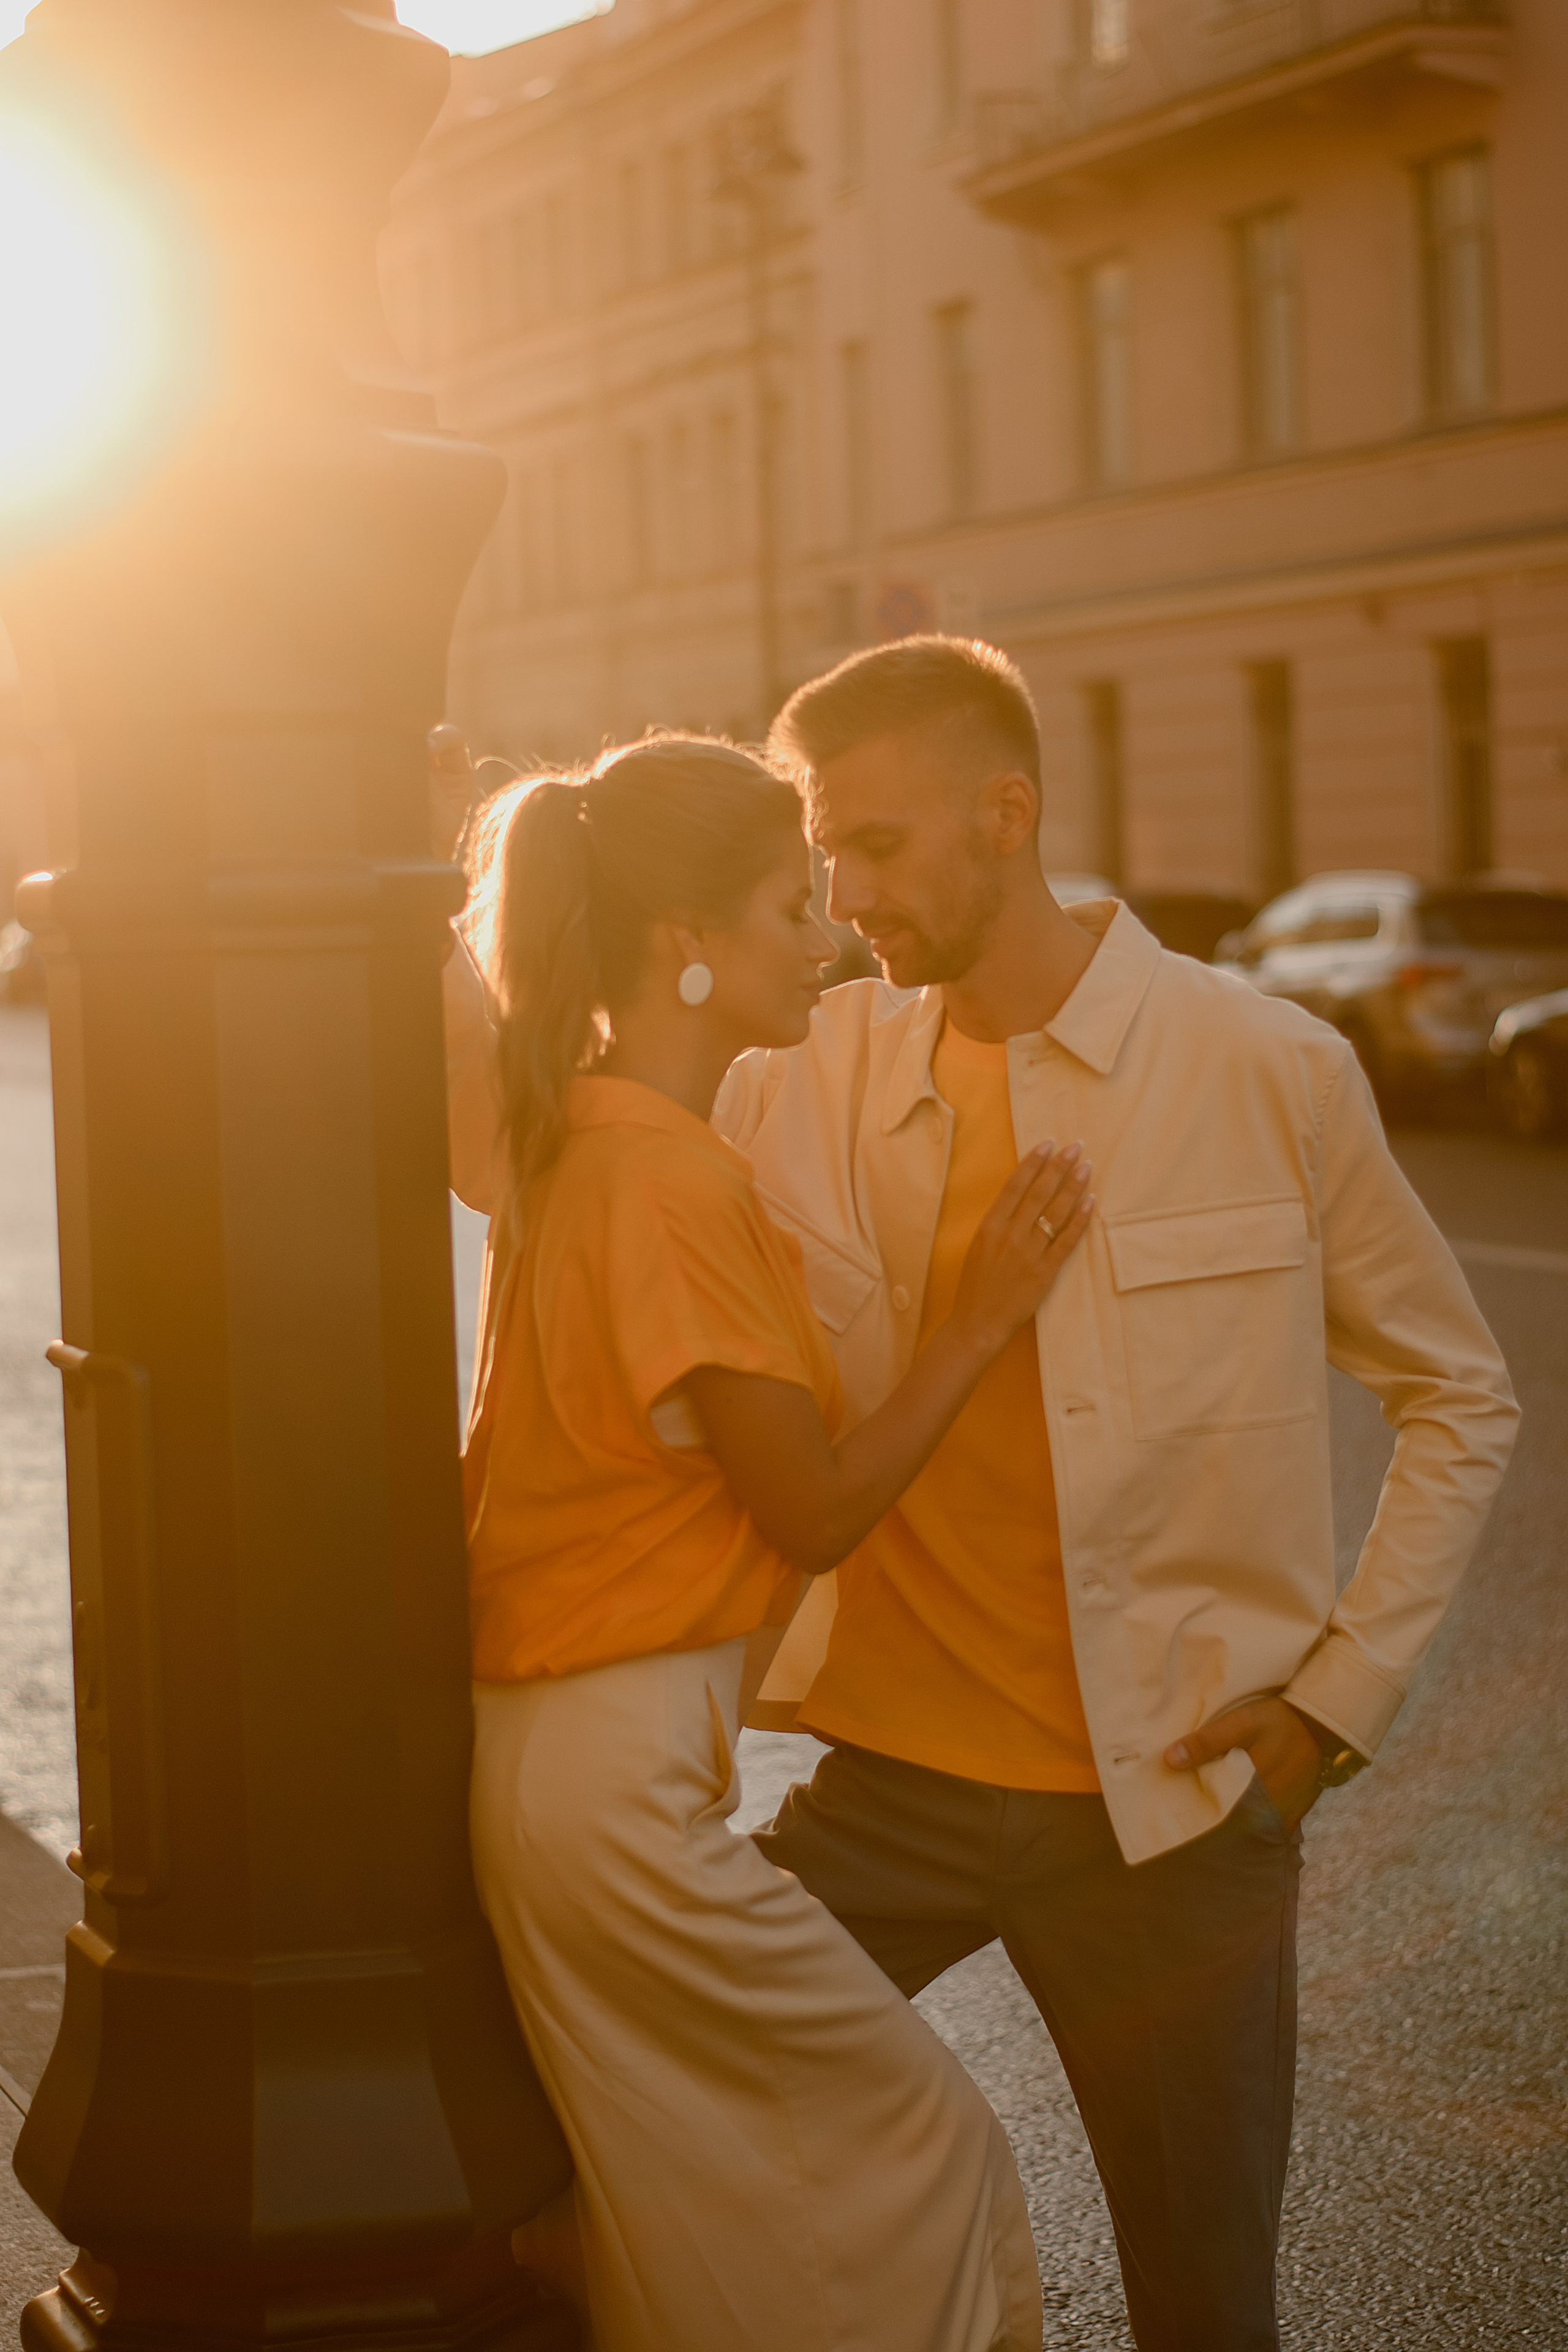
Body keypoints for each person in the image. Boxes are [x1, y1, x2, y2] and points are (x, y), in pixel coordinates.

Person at [687, 636, 1519, 2352]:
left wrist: (1337, 1702)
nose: (847, 896)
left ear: (1011, 815)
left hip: (1171, 1817)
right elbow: (558, 1105)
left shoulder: (1267, 1071)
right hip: (885, 1796)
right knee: (646, 2118)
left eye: (881, 845)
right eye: (824, 854)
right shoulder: (805, 1079)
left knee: (1205, 2313)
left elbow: (1461, 1391)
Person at [445, 731, 1096, 2352]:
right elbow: (809, 1508)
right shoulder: (666, 1183)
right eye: (791, 906)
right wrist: (976, 1318)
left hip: (566, 1770)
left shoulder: (577, 1137)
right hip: (617, 1791)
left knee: (709, 2210)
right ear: (688, 952)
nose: (826, 943)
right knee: (921, 2145)